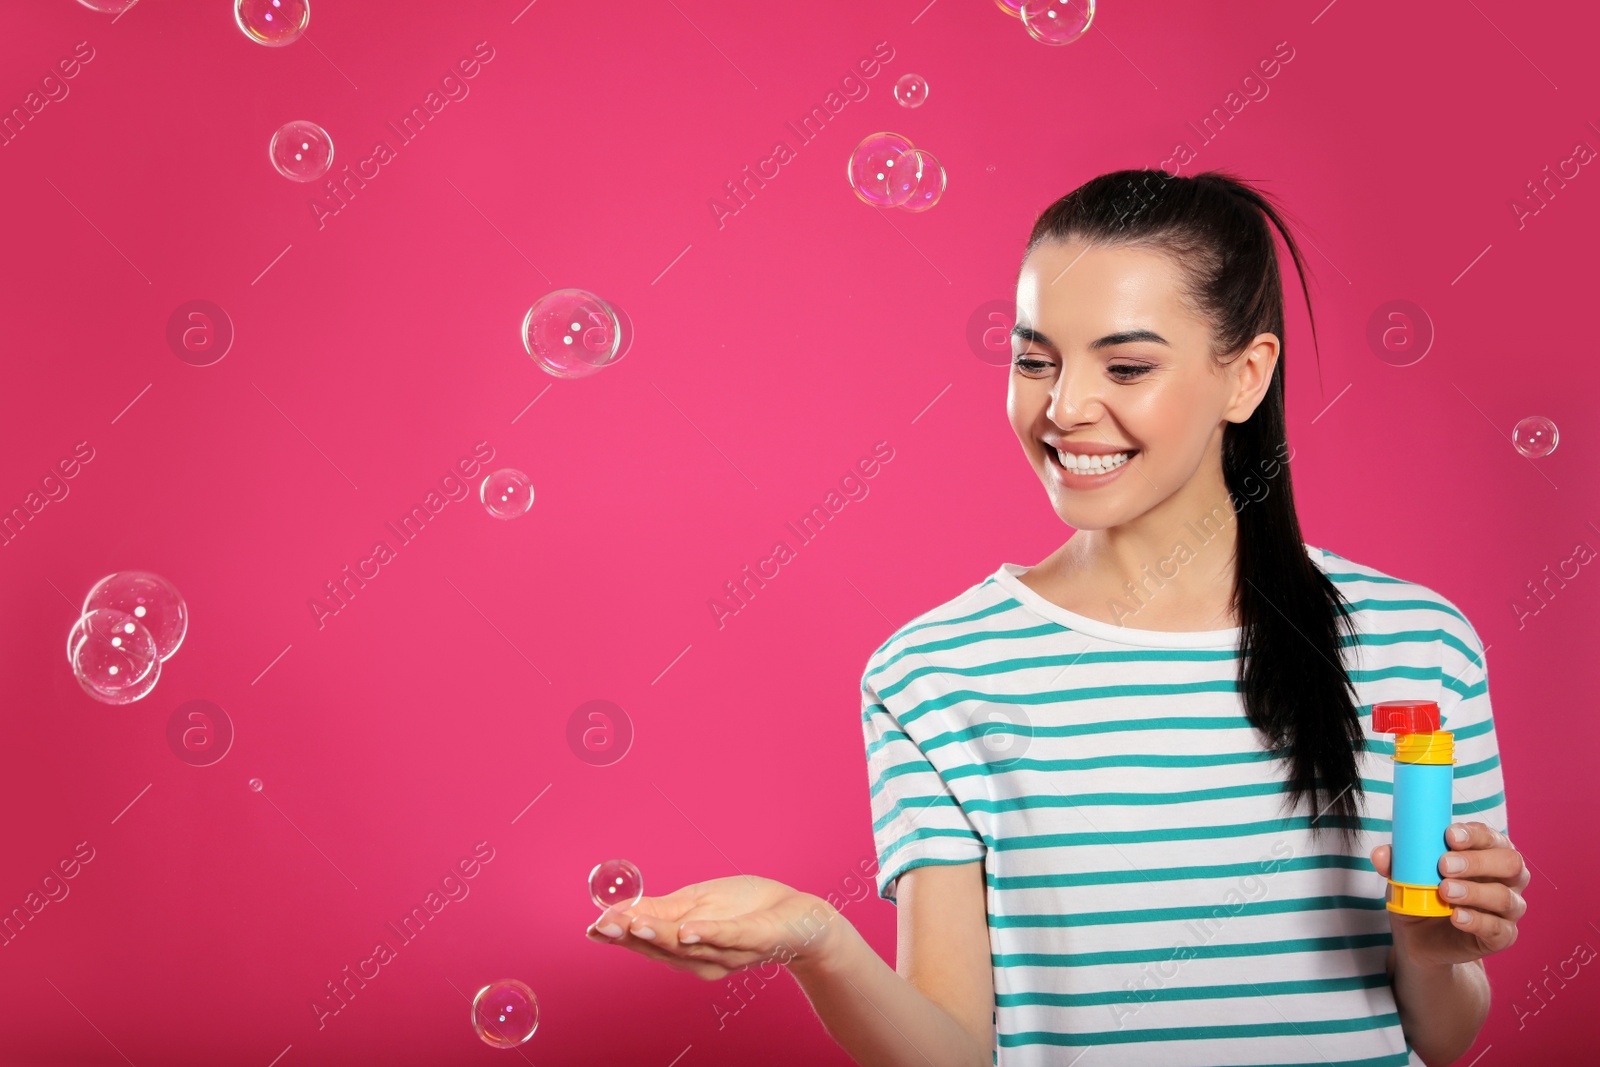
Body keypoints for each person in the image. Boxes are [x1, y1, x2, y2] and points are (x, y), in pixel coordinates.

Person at [584, 168, 1528, 1067]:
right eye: (1034, 359)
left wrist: (1433, 946)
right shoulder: (935, 673)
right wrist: (818, 940)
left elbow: (1443, 1035)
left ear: (1245, 376)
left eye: (1125, 366)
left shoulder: (1421, 647)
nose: (1065, 408)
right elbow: (954, 1049)